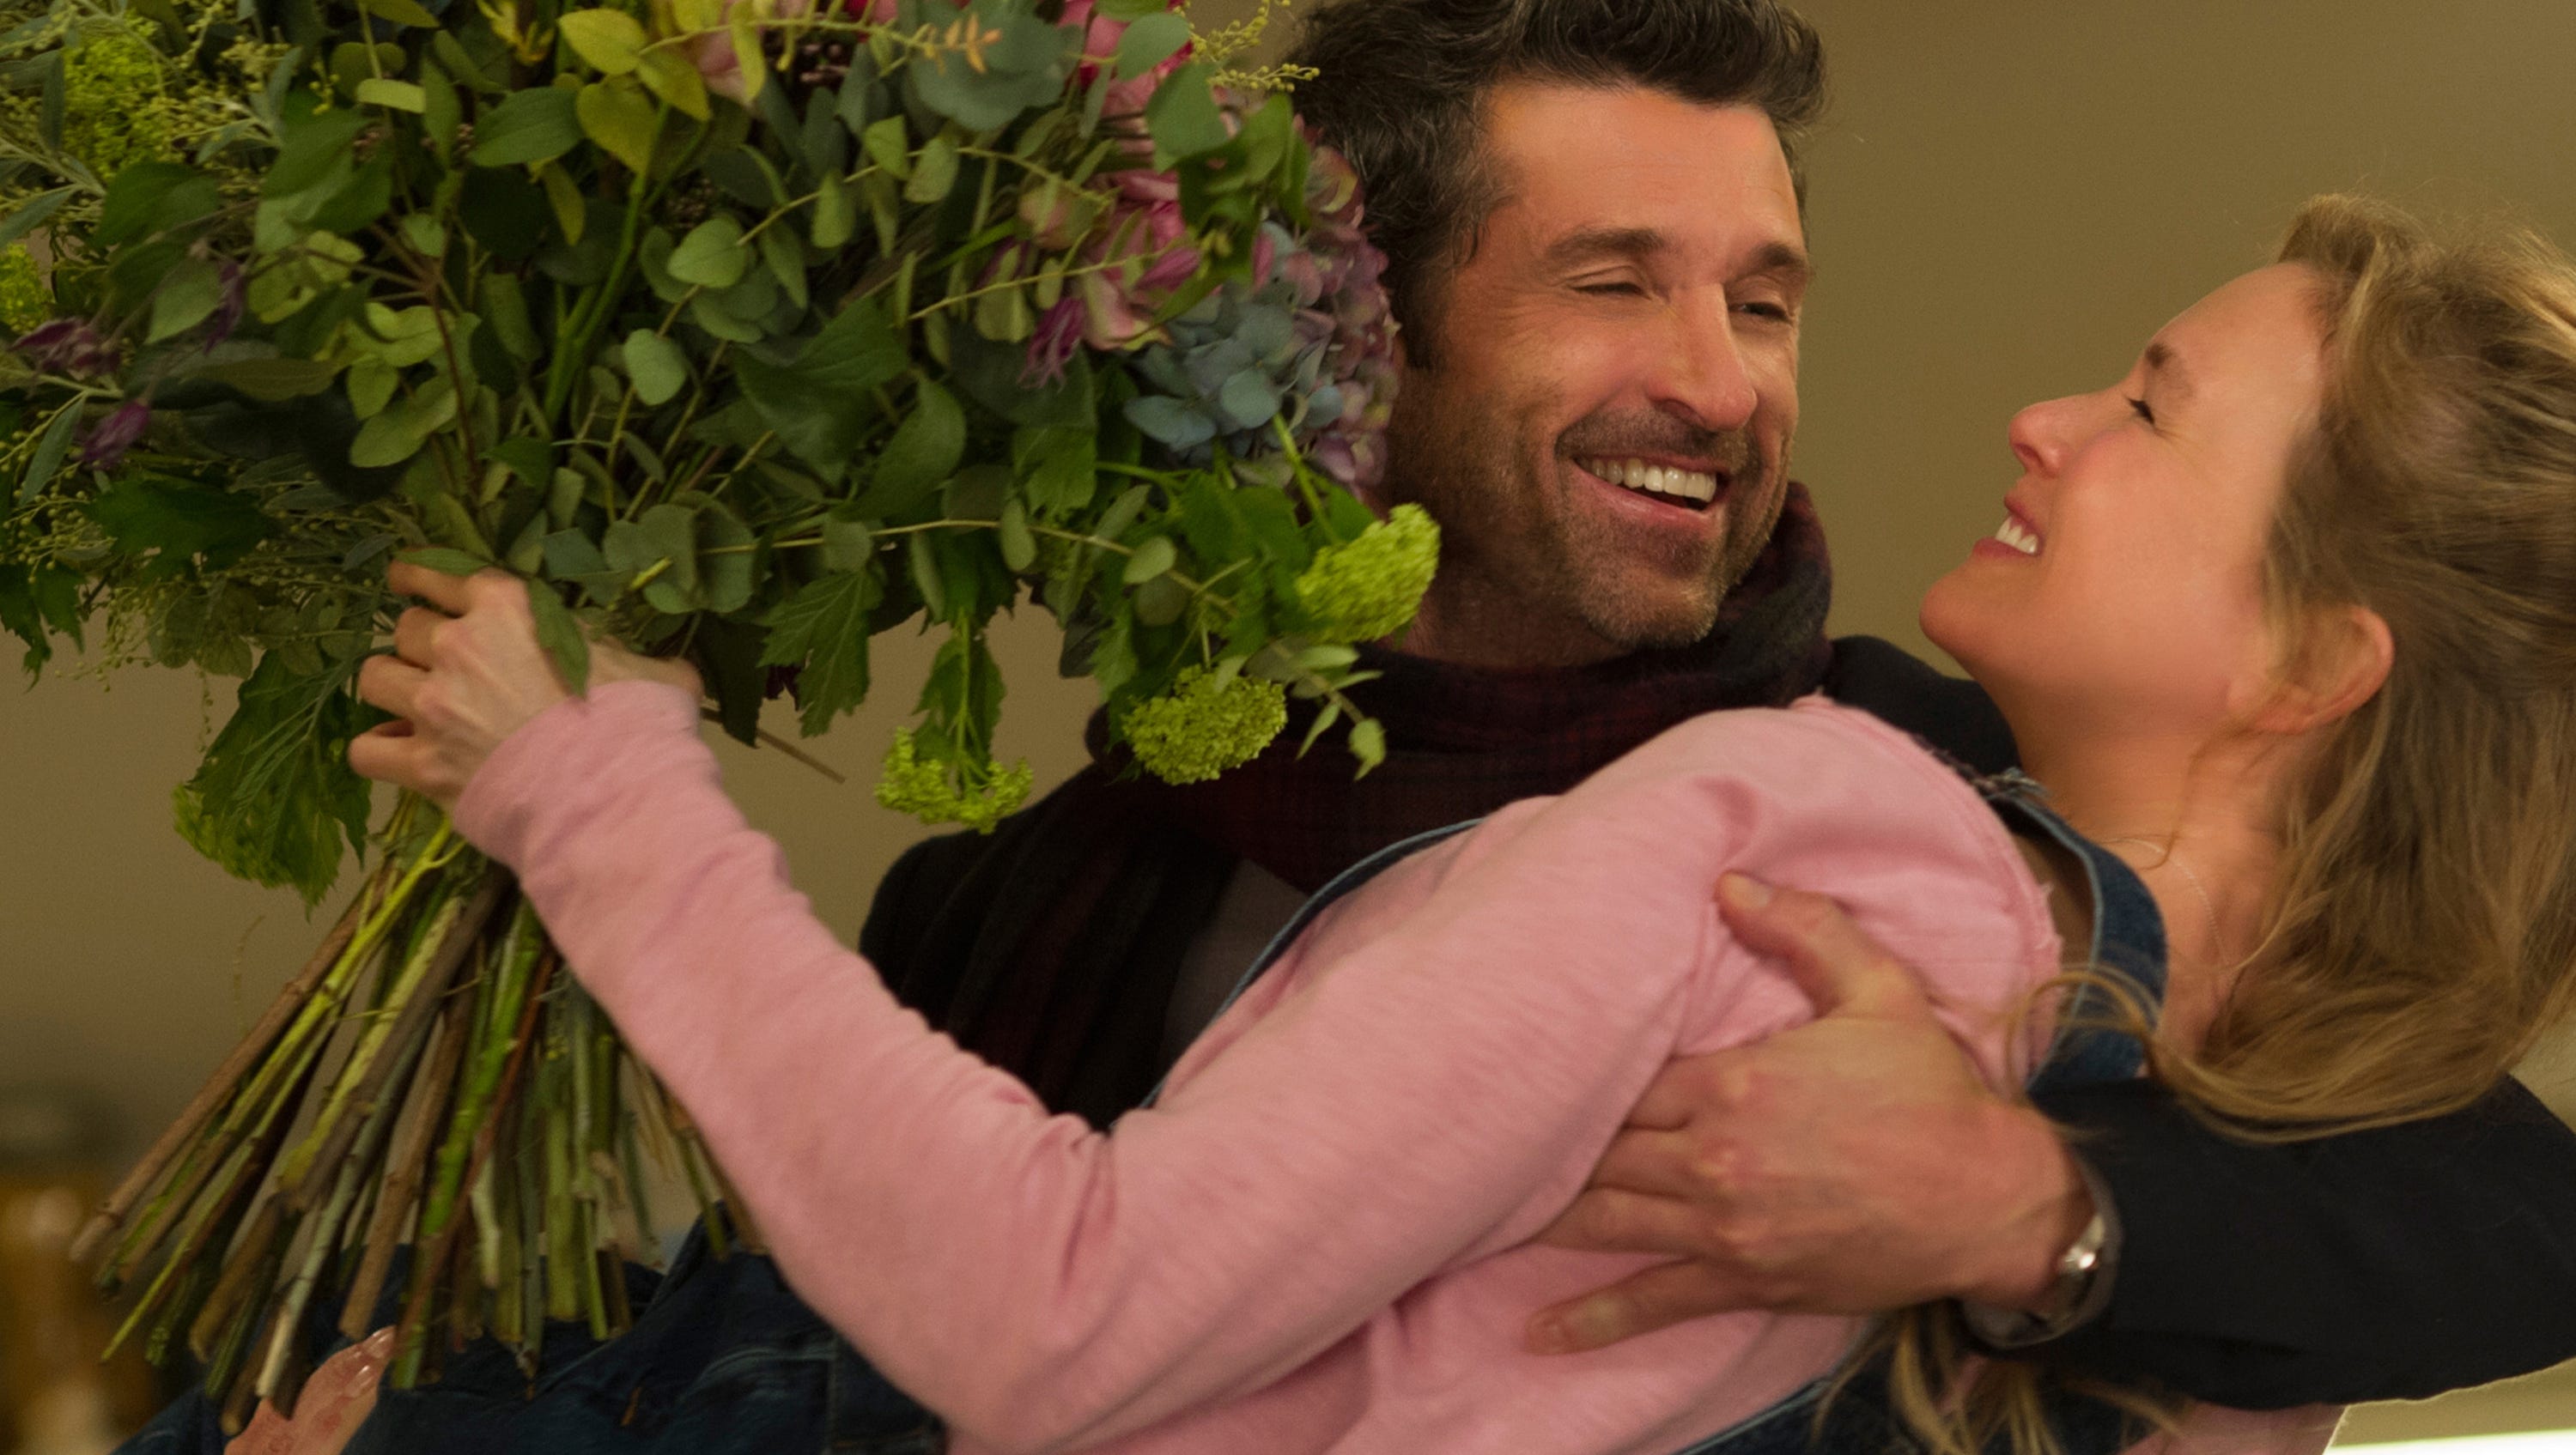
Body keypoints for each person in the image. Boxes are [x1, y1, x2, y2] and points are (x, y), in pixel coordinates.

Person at [130, 1, 2576, 1451]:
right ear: (1354, 328)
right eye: (1613, 282)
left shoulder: (1886, 806)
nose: (1724, 382)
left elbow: (2503, 1206)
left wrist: (2034, 1211)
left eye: (1764, 299)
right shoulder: (1031, 892)